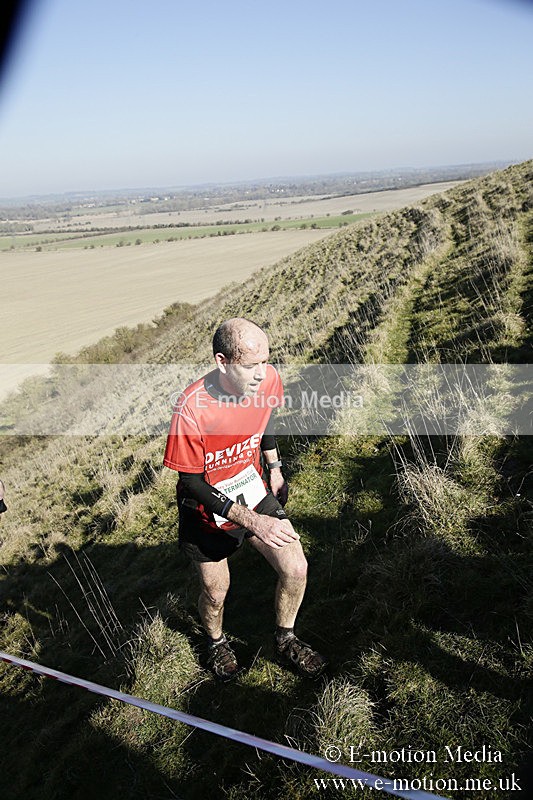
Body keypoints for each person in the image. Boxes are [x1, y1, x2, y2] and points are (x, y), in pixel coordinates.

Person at [163, 318, 327, 681]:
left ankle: (285, 639)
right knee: (217, 590)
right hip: (207, 507)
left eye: (266, 361)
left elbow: (265, 418)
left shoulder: (266, 379)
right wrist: (251, 521)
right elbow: (190, 482)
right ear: (222, 362)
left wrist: (274, 466)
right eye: (250, 365)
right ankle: (216, 641)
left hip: (253, 488)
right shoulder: (191, 408)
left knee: (296, 567)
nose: (261, 373)